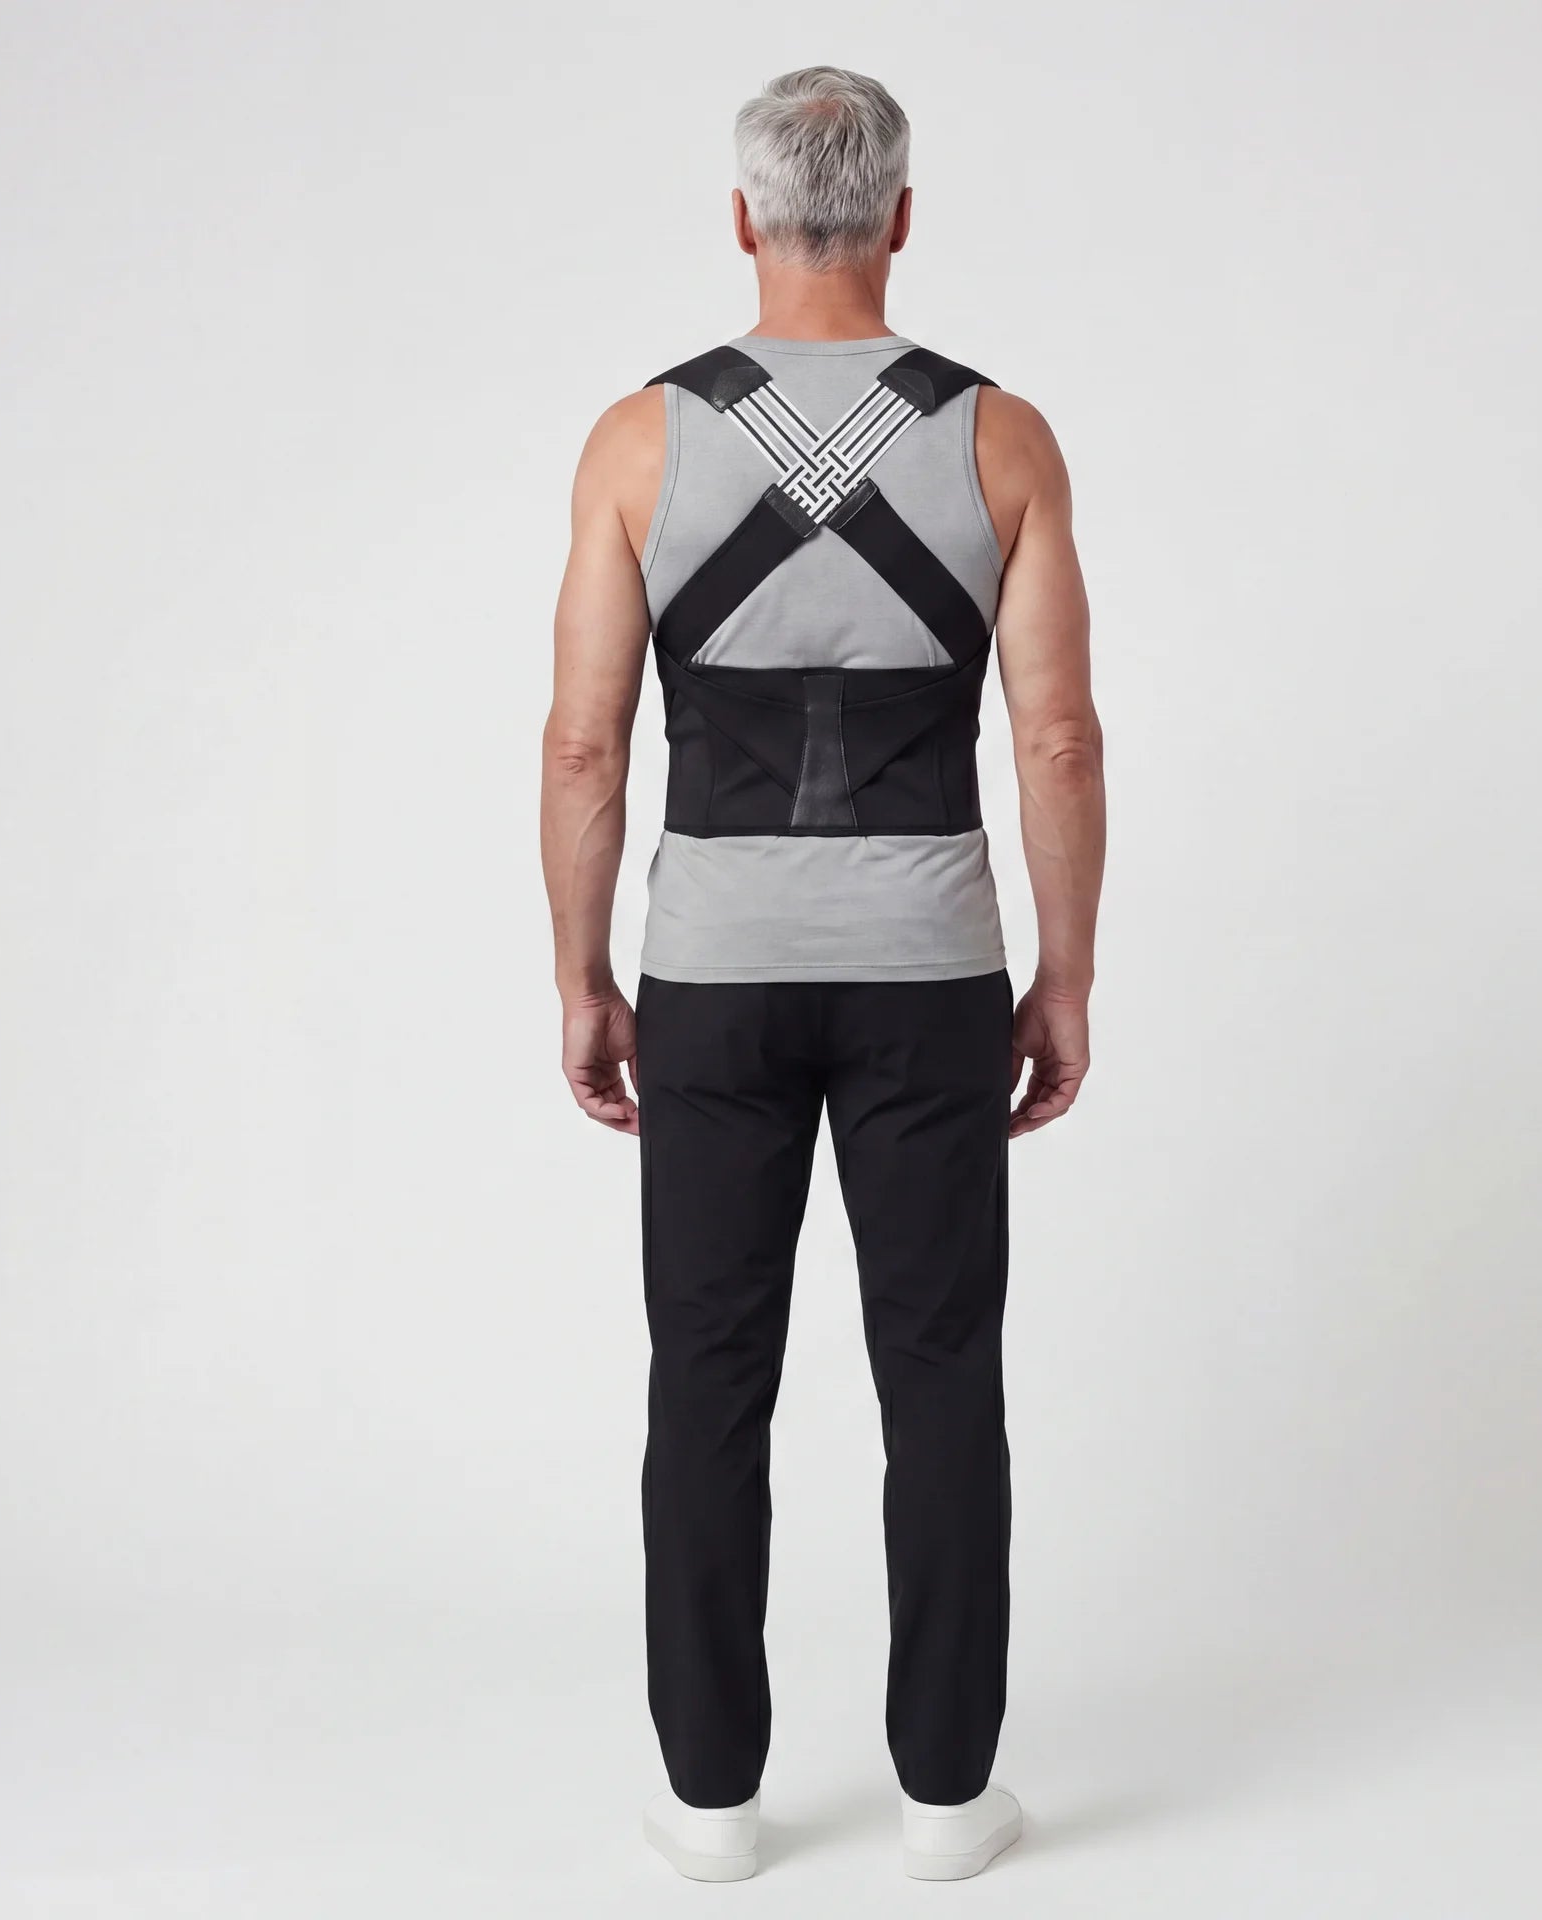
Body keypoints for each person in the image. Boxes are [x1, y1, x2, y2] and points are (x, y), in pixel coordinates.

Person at [539, 65, 1104, 1883]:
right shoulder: (1002, 440)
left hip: (711, 971)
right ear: (902, 218)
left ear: (744, 218)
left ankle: (712, 1803)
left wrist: (582, 977)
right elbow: (1059, 738)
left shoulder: (639, 443)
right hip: (930, 971)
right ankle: (947, 1797)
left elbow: (585, 746)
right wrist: (1066, 974)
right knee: (939, 1372)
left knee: (708, 1375)